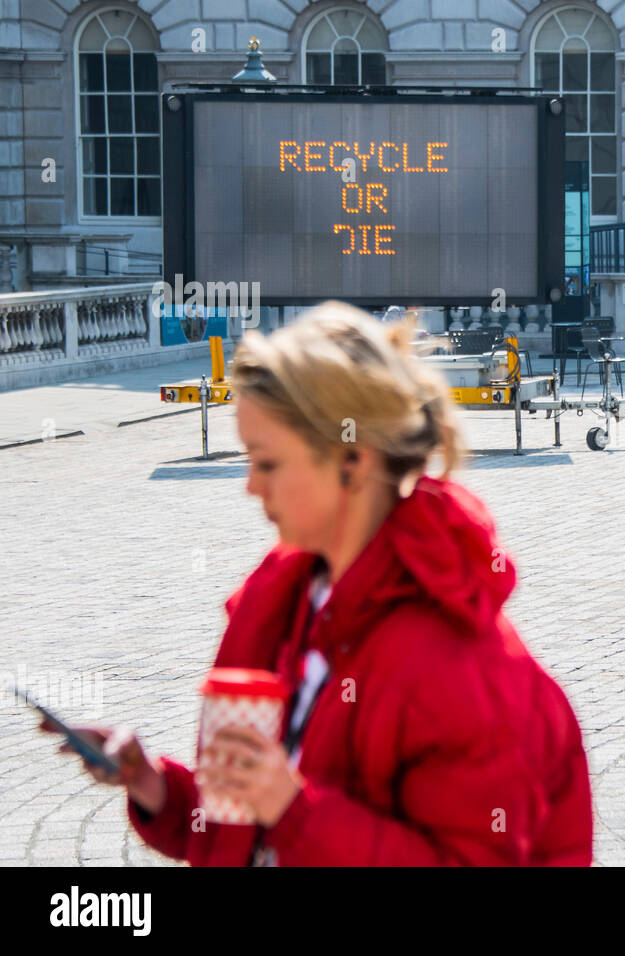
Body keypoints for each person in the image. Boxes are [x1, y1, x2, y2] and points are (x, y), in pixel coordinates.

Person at [43, 300, 593, 866]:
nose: (250, 487)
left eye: (267, 462)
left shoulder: (458, 663)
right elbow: (244, 831)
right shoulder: (283, 600)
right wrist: (156, 787)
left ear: (351, 460)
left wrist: (293, 808)